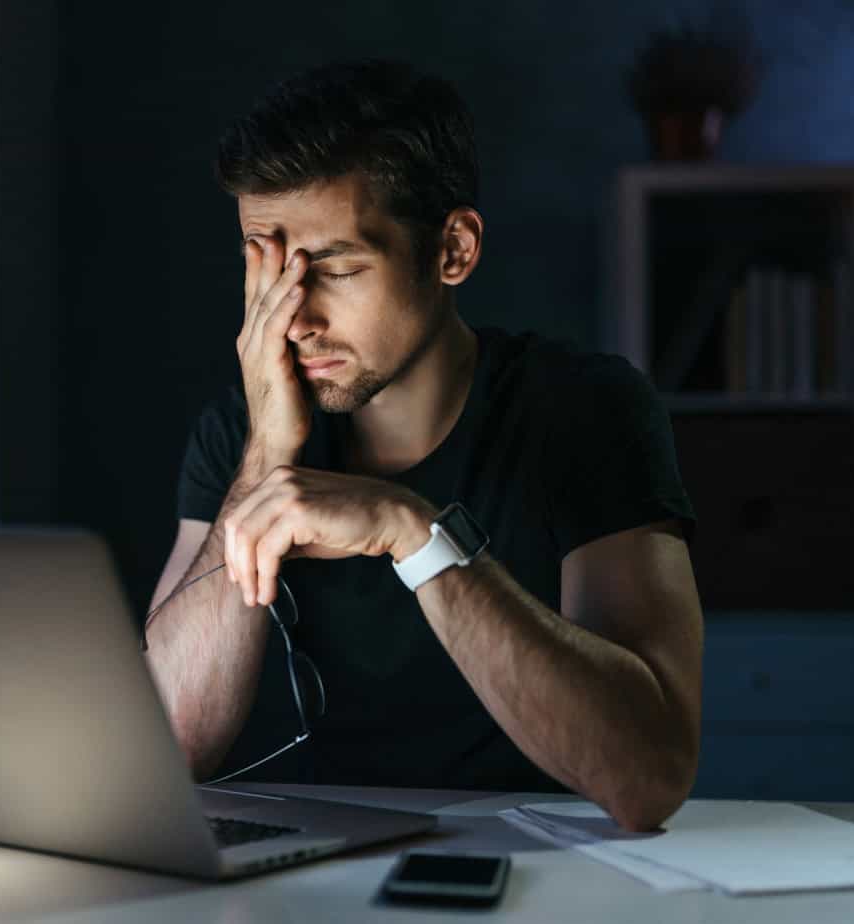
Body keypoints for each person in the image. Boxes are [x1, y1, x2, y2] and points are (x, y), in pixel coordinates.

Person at [142, 59, 702, 833]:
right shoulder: (238, 435)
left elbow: (650, 778)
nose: (294, 318)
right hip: (297, 880)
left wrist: (415, 534)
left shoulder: (584, 410)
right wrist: (268, 454)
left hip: (537, 869)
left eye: (335, 269)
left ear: (453, 251)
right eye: (269, 270)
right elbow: (163, 751)